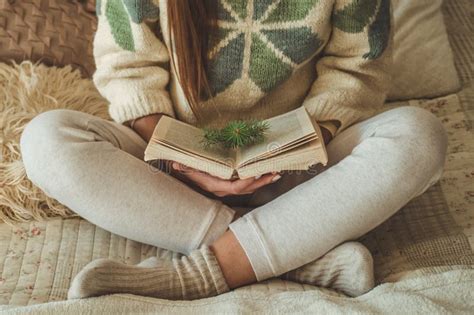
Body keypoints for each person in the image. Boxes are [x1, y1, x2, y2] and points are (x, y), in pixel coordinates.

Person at [20, 0, 448, 300]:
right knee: (45, 139)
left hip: (299, 166)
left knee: (419, 135)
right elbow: (128, 74)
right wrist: (183, 161)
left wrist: (292, 151)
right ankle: (295, 257)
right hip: (171, 167)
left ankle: (198, 274)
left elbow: (357, 72)